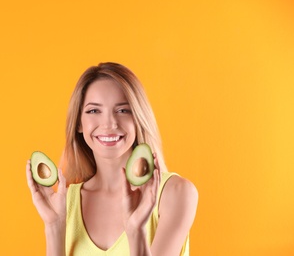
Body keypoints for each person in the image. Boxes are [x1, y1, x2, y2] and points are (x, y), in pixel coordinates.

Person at [26, 62, 198, 256]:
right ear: (79, 123)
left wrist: (136, 231)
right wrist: (54, 226)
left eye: (123, 110)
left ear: (138, 119)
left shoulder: (175, 193)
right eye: (93, 111)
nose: (109, 123)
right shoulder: (65, 202)